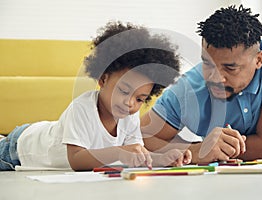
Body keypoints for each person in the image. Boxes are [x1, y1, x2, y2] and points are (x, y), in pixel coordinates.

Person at [0, 21, 191, 171]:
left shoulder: (130, 116)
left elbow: (137, 155)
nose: (130, 102)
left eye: (140, 99)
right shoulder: (82, 108)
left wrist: (162, 159)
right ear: (103, 79)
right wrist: (120, 152)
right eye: (123, 91)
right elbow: (76, 159)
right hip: (19, 148)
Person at [141, 5, 262, 163]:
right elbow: (145, 135)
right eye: (208, 64)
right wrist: (197, 151)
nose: (215, 78)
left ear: (259, 60)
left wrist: (212, 151)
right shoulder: (187, 89)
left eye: (230, 68)